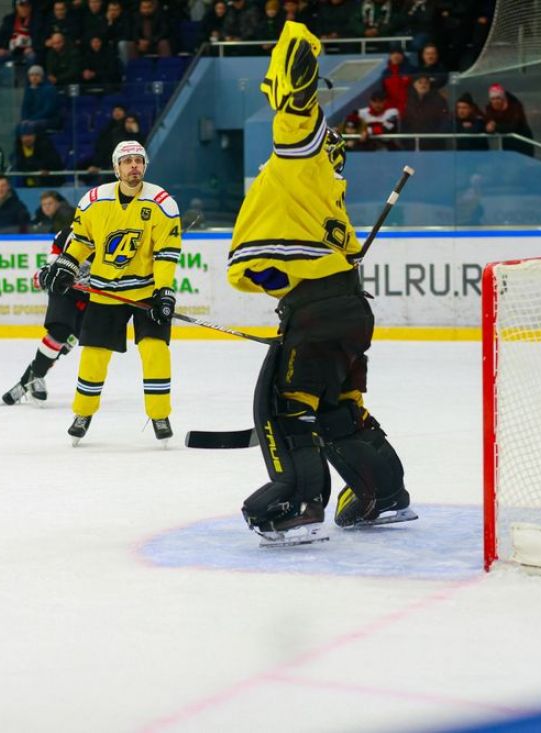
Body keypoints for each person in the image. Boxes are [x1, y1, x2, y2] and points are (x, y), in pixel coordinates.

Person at [227, 21, 414, 547]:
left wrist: (297, 58)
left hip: (316, 311)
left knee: (287, 406)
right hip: (350, 311)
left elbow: (294, 119)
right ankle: (384, 493)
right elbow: (271, 270)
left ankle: (300, 503)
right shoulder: (328, 200)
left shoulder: (300, 167)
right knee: (340, 409)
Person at [43, 140, 182, 445]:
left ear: (145, 165)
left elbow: (166, 253)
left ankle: (159, 414)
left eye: (139, 160)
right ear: (116, 167)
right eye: (127, 160)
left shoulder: (162, 203)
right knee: (93, 355)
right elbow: (81, 240)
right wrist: (66, 266)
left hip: (146, 293)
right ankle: (83, 413)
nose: (134, 166)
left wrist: (164, 292)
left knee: (155, 350)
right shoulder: (93, 201)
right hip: (106, 292)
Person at [2, 229, 91, 406]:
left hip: (90, 298)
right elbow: (52, 262)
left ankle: (28, 380)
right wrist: (45, 274)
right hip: (64, 289)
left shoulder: (111, 237)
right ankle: (37, 377)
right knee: (59, 331)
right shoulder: (67, 234)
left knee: (66, 345)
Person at [482, 83, 533, 156]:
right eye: (493, 99)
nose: (496, 101)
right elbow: (487, 125)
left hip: (523, 140)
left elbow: (513, 127)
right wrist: (488, 128)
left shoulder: (515, 107)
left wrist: (495, 127)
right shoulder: (490, 109)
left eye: (498, 98)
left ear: (503, 99)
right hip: (507, 143)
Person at [401, 73, 449, 150]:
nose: (423, 85)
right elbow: (404, 122)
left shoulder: (438, 100)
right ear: (414, 85)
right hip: (411, 145)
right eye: (420, 82)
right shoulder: (407, 100)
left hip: (434, 145)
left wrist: (436, 138)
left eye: (426, 82)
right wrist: (406, 141)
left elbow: (444, 120)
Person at [12, 121, 65, 187]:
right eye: (24, 136)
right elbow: (19, 165)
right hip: (27, 183)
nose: (27, 138)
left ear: (35, 135)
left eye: (30, 135)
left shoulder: (45, 145)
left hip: (49, 183)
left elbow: (53, 163)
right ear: (20, 137)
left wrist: (43, 168)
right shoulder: (18, 147)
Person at [20, 65, 62, 131]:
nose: (34, 77)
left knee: (30, 126)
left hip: (50, 119)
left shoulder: (49, 89)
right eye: (31, 75)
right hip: (34, 120)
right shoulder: (28, 89)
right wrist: (25, 119)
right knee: (20, 127)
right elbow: (25, 107)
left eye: (37, 75)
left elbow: (48, 110)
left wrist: (31, 119)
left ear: (42, 76)